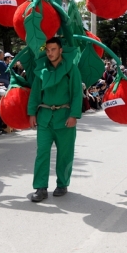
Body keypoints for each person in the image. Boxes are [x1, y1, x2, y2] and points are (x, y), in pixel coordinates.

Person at [28, 37, 82, 202]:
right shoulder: (42, 70)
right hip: (45, 118)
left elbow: (77, 94)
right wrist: (32, 113)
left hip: (65, 118)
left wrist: (74, 115)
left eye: (53, 49)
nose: (50, 53)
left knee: (65, 154)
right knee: (42, 153)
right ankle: (40, 187)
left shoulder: (71, 69)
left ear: (60, 50)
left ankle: (62, 183)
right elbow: (35, 93)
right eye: (48, 50)